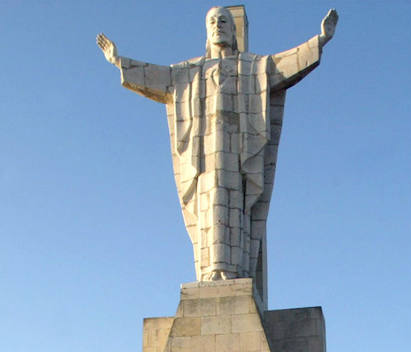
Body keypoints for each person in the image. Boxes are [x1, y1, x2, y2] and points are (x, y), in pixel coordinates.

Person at [96, 7, 338, 296]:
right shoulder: (188, 72)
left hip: (238, 159)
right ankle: (212, 271)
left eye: (223, 20)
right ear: (206, 30)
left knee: (237, 208)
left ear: (233, 30)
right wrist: (119, 61)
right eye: (212, 21)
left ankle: (234, 271)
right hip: (205, 161)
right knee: (210, 208)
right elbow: (156, 76)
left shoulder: (252, 67)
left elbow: (283, 64)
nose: (218, 25)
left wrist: (319, 40)